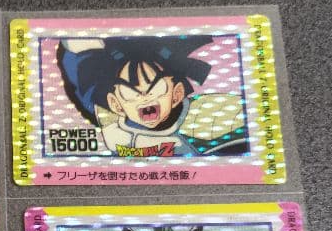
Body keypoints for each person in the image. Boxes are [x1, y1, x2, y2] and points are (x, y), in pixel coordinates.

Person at [56, 36, 247, 157]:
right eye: (131, 91)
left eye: (155, 88)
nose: (144, 96)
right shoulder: (112, 123)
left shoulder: (201, 119)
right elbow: (80, 68)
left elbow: (240, 114)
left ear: (177, 94)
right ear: (116, 105)